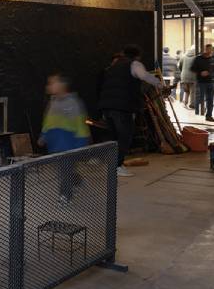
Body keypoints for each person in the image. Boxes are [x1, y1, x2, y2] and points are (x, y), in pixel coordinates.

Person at [98, 45, 164, 177]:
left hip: (106, 106)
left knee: (114, 138)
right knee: (125, 137)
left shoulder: (113, 67)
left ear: (123, 53)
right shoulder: (134, 64)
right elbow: (144, 76)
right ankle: (116, 167)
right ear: (137, 56)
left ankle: (111, 165)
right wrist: (160, 84)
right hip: (122, 107)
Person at [39, 73, 90, 201]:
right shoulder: (53, 103)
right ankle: (77, 180)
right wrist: (43, 135)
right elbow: (48, 122)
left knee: (64, 171)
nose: (49, 86)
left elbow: (80, 125)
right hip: (55, 145)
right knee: (65, 169)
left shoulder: (73, 103)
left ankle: (65, 195)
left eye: (52, 83)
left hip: (69, 145)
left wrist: (81, 144)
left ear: (62, 85)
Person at [191, 44, 214, 122]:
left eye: (210, 49)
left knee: (210, 100)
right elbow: (193, 68)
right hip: (201, 82)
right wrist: (200, 73)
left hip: (211, 82)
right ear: (204, 49)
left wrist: (209, 73)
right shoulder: (198, 58)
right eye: (207, 49)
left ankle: (209, 116)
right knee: (200, 98)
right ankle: (197, 113)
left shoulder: (213, 59)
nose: (208, 51)